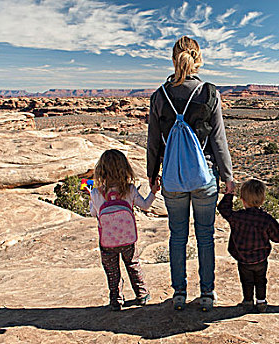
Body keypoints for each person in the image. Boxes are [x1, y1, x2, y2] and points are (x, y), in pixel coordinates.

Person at [147, 36, 234, 311]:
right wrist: (228, 176)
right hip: (205, 175)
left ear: (174, 59)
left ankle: (179, 293)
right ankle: (207, 293)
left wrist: (152, 174)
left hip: (172, 176)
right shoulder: (209, 92)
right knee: (206, 235)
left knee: (177, 236)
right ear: (198, 59)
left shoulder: (159, 95)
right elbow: (219, 140)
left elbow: (153, 141)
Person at [89, 149, 160, 311]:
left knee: (112, 271)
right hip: (128, 239)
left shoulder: (96, 192)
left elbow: (94, 213)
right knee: (133, 264)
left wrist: (92, 200)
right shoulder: (130, 190)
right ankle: (142, 294)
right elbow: (146, 206)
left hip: (107, 241)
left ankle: (116, 300)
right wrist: (154, 192)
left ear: (102, 171)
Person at [217, 179, 279, 312]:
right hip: (261, 258)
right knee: (261, 280)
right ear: (263, 199)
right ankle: (261, 302)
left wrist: (229, 193)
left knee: (246, 280)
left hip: (243, 258)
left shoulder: (237, 217)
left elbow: (223, 209)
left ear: (242, 199)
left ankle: (248, 301)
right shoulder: (266, 219)